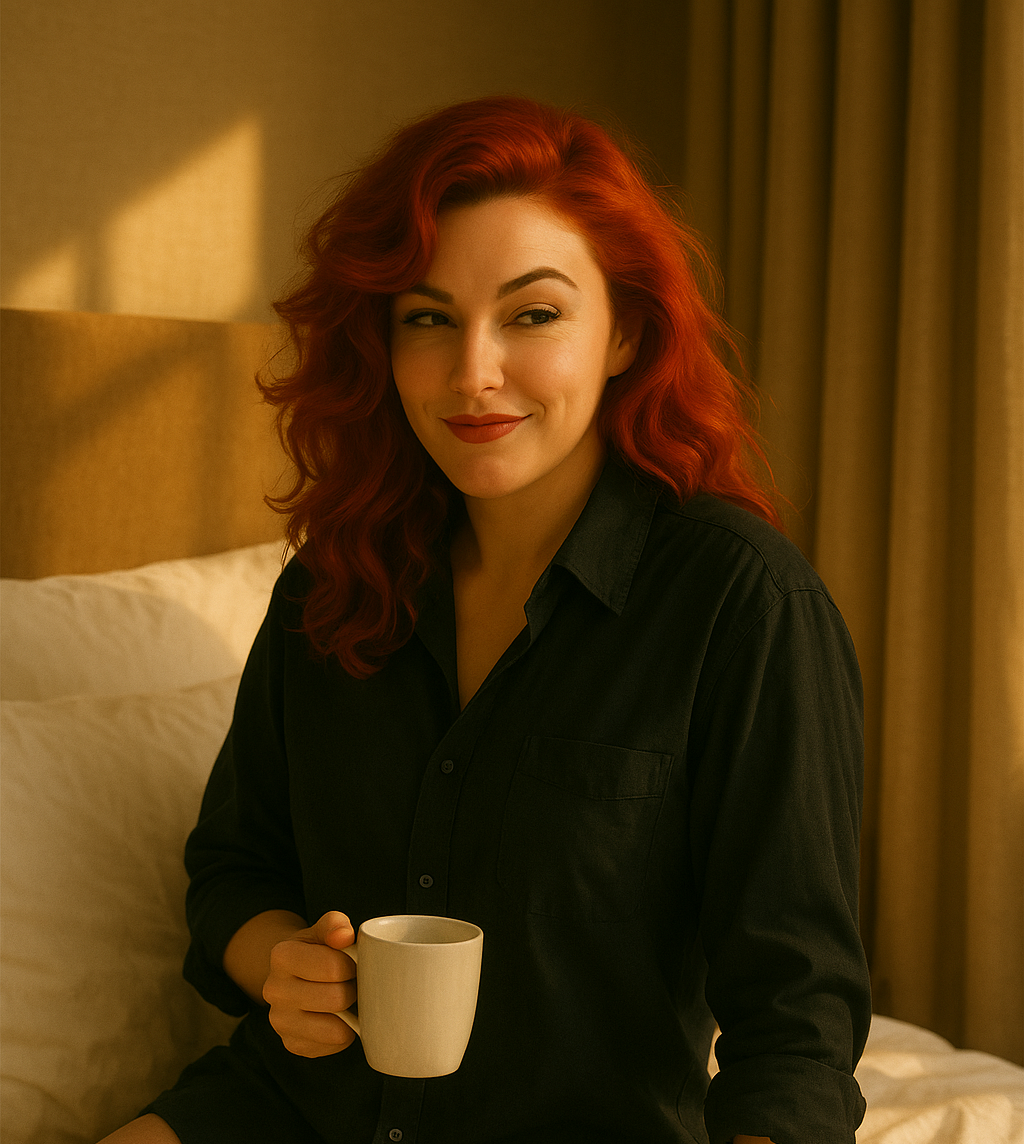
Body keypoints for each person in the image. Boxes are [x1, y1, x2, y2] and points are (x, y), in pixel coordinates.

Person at [103, 95, 871, 1144]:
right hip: (294, 1110)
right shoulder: (333, 580)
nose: (472, 372)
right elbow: (234, 867)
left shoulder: (741, 604)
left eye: (532, 313)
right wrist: (280, 960)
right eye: (427, 317)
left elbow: (797, 1021)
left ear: (625, 332)